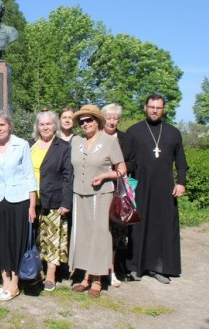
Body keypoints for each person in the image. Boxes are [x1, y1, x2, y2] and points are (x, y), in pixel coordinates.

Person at [125, 95, 188, 284]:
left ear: (163, 109)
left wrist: (181, 183)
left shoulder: (173, 133)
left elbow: (182, 162)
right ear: (145, 107)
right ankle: (135, 267)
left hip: (165, 189)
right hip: (140, 187)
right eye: (151, 107)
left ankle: (159, 267)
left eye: (158, 108)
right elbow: (125, 160)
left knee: (162, 228)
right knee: (137, 227)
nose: (154, 110)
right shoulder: (134, 132)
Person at [69, 104, 126, 298]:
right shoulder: (76, 141)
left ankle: (97, 279)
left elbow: (122, 169)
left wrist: (104, 176)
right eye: (82, 121)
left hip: (102, 195)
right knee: (84, 235)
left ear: (97, 121)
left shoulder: (109, 141)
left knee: (100, 235)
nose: (85, 124)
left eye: (89, 120)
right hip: (79, 193)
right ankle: (85, 277)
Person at [0, 110, 38, 301]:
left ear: (9, 126)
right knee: (1, 242)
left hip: (19, 200)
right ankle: (5, 281)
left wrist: (32, 205)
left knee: (15, 241)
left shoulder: (21, 145)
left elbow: (30, 175)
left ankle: (15, 283)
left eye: (2, 125)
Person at [29, 110, 73, 292]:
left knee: (53, 238)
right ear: (37, 127)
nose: (45, 127)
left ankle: (51, 274)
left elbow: (68, 176)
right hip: (31, 199)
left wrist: (66, 202)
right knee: (36, 238)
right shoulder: (30, 145)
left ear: (55, 126)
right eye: (42, 124)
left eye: (49, 124)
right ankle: (36, 270)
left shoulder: (63, 147)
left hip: (54, 199)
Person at [101, 103, 136, 287]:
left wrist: (118, 167)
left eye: (115, 118)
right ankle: (96, 269)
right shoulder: (96, 136)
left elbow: (133, 162)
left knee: (115, 232)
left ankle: (113, 270)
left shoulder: (125, 138)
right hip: (98, 188)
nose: (112, 121)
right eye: (109, 118)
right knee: (100, 231)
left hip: (118, 190)